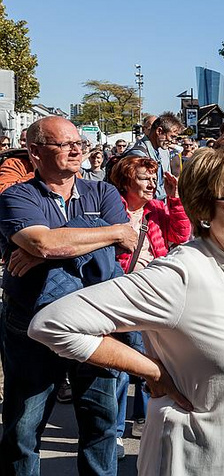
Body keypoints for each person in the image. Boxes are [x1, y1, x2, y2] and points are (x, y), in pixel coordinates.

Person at [28, 146, 224, 476]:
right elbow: (52, 323)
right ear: (203, 209)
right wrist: (150, 370)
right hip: (197, 463)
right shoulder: (180, 276)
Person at [0, 116, 137, 475]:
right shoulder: (17, 195)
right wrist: (49, 244)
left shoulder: (102, 192)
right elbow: (42, 242)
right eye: (64, 144)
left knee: (102, 426)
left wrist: (49, 245)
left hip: (96, 324)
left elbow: (127, 241)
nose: (77, 149)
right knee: (22, 430)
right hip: (31, 324)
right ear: (34, 151)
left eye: (79, 142)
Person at [110, 155, 191, 454]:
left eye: (153, 178)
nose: (151, 183)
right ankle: (116, 432)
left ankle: (144, 419)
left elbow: (180, 235)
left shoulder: (157, 209)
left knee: (152, 359)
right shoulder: (112, 208)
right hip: (119, 292)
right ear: (126, 180)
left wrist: (175, 199)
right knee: (121, 364)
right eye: (144, 177)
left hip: (152, 294)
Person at [126, 113, 185, 200]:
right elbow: (137, 191)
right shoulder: (139, 154)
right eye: (172, 136)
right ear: (159, 131)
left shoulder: (161, 152)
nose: (172, 141)